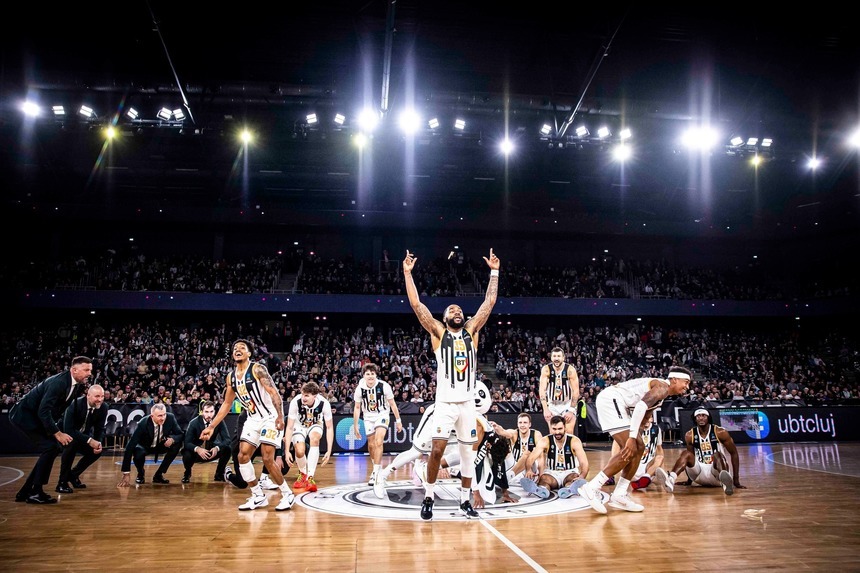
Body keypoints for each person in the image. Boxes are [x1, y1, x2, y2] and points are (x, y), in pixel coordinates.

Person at [402, 247, 499, 520]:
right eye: (451, 310)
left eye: (459, 309)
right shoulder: (439, 333)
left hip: (467, 404)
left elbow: (489, 303)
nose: (457, 311)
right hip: (444, 403)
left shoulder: (472, 331)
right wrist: (407, 274)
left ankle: (465, 500)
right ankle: (429, 497)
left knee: (468, 453)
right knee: (437, 450)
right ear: (444, 318)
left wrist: (494, 272)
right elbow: (417, 306)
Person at [577, 366, 693, 514]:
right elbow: (640, 406)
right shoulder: (663, 387)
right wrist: (632, 438)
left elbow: (644, 417)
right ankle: (591, 487)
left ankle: (619, 494)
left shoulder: (661, 395)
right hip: (611, 400)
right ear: (675, 380)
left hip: (618, 404)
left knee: (639, 448)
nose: (687, 387)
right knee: (632, 446)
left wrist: (637, 438)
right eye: (686, 382)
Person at [200, 338, 294, 511]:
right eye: (235, 348)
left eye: (242, 348)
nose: (238, 350)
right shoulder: (231, 377)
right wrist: (211, 426)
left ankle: (288, 494)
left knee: (267, 458)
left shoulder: (257, 369)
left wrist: (280, 416)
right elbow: (226, 404)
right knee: (242, 456)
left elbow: (274, 393)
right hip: (252, 419)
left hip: (269, 417)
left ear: (249, 353)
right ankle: (258, 495)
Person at [9, 356, 93, 504]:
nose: (89, 373)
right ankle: (35, 492)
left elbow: (58, 410)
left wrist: (57, 429)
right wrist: (57, 433)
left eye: (90, 370)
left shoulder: (76, 385)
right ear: (74, 370)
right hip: (24, 416)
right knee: (50, 447)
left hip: (37, 417)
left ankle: (27, 492)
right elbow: (43, 411)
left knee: (53, 448)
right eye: (86, 370)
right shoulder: (59, 383)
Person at [655, 408, 746, 495]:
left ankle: (726, 484)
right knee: (686, 453)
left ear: (708, 417)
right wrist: (689, 481)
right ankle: (671, 480)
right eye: (698, 416)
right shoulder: (690, 435)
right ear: (695, 419)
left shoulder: (720, 432)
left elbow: (734, 453)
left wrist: (736, 480)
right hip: (699, 475)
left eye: (704, 416)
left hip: (717, 474)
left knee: (717, 455)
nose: (701, 418)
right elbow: (690, 459)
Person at [352, 362, 402, 485]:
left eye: (372, 374)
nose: (370, 376)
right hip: (368, 417)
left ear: (376, 375)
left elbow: (392, 404)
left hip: (382, 415)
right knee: (371, 445)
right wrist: (355, 425)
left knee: (379, 441)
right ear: (363, 376)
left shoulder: (384, 386)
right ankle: (376, 466)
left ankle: (375, 472)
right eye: (367, 374)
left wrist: (398, 420)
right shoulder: (359, 389)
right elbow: (357, 408)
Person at [520, 415, 589, 499]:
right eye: (554, 429)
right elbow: (531, 458)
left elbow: (584, 462)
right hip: (552, 473)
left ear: (565, 428)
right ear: (551, 428)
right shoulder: (545, 440)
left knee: (574, 477)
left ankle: (569, 489)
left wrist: (582, 476)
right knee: (543, 479)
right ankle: (541, 490)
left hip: (569, 472)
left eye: (560, 429)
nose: (557, 432)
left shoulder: (574, 441)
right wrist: (528, 470)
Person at [56, 383, 107, 493]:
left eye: (102, 396)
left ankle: (73, 475)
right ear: (88, 395)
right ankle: (62, 482)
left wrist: (98, 443)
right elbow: (68, 430)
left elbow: (99, 429)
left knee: (96, 452)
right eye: (97, 396)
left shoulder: (103, 407)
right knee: (71, 444)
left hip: (81, 436)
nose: (100, 399)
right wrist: (90, 440)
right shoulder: (75, 404)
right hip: (62, 435)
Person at [117, 402, 183, 486]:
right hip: (145, 446)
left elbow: (180, 434)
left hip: (161, 445)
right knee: (138, 452)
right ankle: (140, 473)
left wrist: (173, 439)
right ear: (152, 416)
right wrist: (126, 472)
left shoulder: (170, 418)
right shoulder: (143, 423)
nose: (163, 418)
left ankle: (159, 474)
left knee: (177, 444)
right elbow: (130, 446)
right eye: (160, 416)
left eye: (164, 414)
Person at [284, 381, 334, 493]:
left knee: (315, 439)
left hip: (315, 424)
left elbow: (329, 427)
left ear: (315, 396)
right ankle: (303, 474)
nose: (303, 398)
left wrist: (329, 450)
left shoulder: (324, 403)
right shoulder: (296, 401)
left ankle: (310, 477)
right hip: (299, 425)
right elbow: (289, 427)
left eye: (307, 395)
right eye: (302, 394)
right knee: (299, 450)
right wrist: (287, 450)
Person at [608, 415, 665, 491]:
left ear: (651, 419)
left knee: (660, 457)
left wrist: (662, 469)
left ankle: (646, 478)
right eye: (644, 417)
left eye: (648, 417)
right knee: (616, 441)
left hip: (648, 468)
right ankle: (611, 474)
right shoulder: (632, 429)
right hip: (632, 466)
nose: (646, 419)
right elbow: (616, 451)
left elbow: (659, 449)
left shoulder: (656, 429)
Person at [182, 400, 231, 483]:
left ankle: (219, 475)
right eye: (206, 412)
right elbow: (187, 443)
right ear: (202, 412)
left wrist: (217, 448)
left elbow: (227, 439)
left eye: (211, 412)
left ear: (215, 412)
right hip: (196, 453)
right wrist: (198, 449)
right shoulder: (194, 423)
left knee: (227, 449)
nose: (209, 415)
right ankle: (187, 473)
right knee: (186, 453)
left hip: (211, 450)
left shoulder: (219, 421)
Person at [490, 412, 543, 483]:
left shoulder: (536, 435)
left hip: (531, 466)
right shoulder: (514, 433)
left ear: (530, 424)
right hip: (515, 465)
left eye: (525, 422)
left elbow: (541, 456)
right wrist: (496, 427)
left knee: (527, 454)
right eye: (520, 423)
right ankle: (500, 475)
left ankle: (510, 476)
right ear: (517, 424)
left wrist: (540, 475)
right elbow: (503, 432)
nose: (522, 425)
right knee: (501, 449)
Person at [539, 347, 580, 436]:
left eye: (558, 356)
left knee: (568, 432)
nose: (556, 358)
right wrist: (545, 409)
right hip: (553, 404)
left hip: (567, 403)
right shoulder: (546, 369)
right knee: (554, 433)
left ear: (563, 358)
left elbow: (576, 391)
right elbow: (542, 390)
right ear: (551, 358)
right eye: (554, 356)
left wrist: (571, 410)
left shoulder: (570, 370)